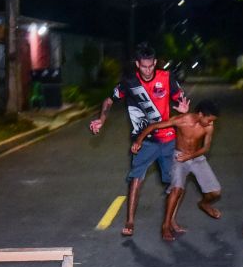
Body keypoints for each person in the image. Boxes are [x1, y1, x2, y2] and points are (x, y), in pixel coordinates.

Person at [90, 42, 188, 236]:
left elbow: (179, 99)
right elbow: (109, 100)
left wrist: (184, 110)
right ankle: (130, 221)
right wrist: (101, 119)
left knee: (176, 183)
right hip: (144, 141)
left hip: (168, 139)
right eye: (144, 66)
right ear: (137, 64)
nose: (148, 70)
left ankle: (171, 221)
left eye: (152, 65)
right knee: (136, 178)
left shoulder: (167, 78)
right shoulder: (129, 82)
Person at [131, 99, 221, 241]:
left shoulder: (209, 127)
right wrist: (139, 141)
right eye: (209, 120)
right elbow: (154, 126)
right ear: (201, 114)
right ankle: (166, 226)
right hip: (179, 157)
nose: (210, 123)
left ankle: (204, 203)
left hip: (196, 158)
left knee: (215, 192)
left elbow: (206, 148)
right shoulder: (182, 120)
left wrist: (191, 156)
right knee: (176, 190)